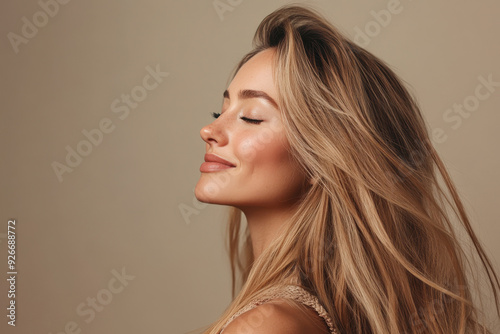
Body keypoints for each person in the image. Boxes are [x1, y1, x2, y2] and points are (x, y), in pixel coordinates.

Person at [194, 4, 500, 334]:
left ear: (322, 156)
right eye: (219, 112)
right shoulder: (308, 314)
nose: (209, 131)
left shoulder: (266, 325)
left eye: (251, 117)